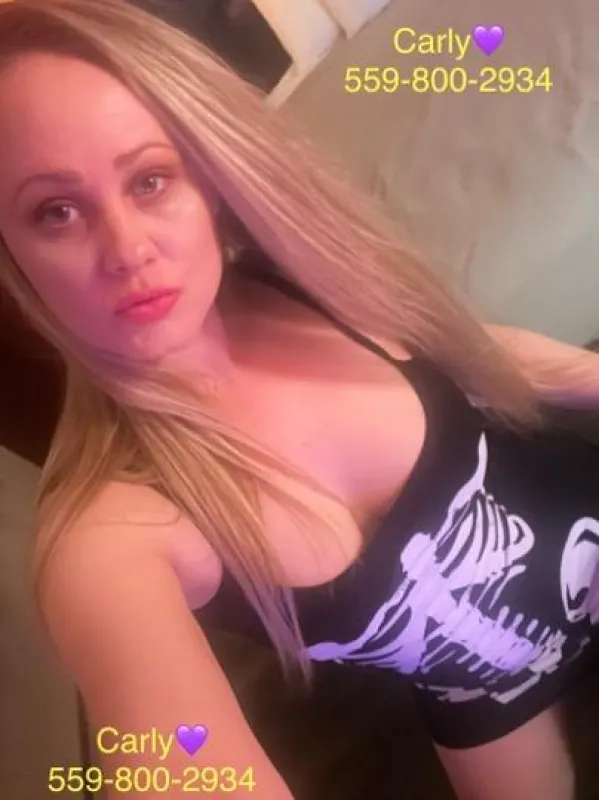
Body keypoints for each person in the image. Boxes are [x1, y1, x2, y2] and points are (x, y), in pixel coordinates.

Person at [0, 1, 598, 798]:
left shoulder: (300, 274)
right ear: (12, 256)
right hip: (488, 694)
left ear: (206, 178)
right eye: (56, 211)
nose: (128, 248)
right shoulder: (111, 538)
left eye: (150, 180)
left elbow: (476, 353)